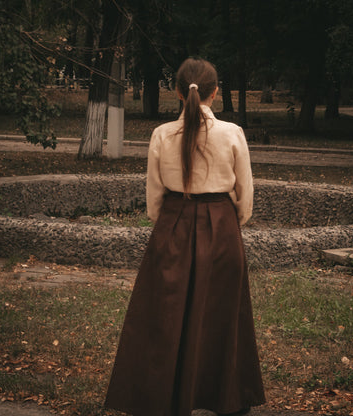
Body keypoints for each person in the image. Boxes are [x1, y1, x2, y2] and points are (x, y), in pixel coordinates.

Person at [104, 57, 266, 416]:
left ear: (177, 92)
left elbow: (154, 196)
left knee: (166, 315)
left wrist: (168, 223)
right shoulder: (232, 133)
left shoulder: (162, 134)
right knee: (221, 316)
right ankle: (226, 400)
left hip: (173, 224)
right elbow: (246, 195)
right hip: (222, 227)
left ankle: (166, 399)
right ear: (216, 92)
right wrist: (229, 222)